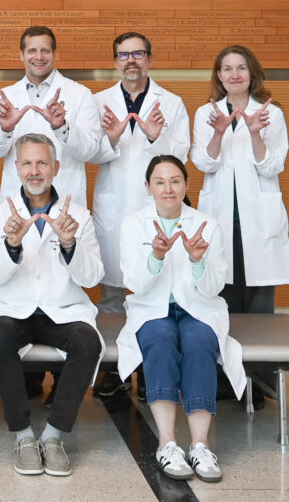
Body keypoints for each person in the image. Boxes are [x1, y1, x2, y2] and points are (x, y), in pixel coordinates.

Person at [0, 133, 104, 478]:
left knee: (88, 341)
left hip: (61, 310)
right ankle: (22, 436)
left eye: (42, 163)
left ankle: (53, 436)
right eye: (28, 163)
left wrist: (69, 244)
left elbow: (93, 277)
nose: (35, 171)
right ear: (17, 168)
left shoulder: (78, 215)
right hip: (13, 307)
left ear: (56, 168)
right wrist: (11, 245)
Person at [117, 155, 246, 483]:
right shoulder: (134, 224)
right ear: (148, 187)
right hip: (151, 309)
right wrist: (156, 257)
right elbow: (134, 282)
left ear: (187, 185)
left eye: (175, 181)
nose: (168, 189)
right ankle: (167, 443)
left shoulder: (206, 224)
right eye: (159, 182)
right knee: (159, 339)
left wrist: (198, 261)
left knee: (200, 340)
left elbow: (215, 286)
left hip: (198, 308)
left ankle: (200, 446)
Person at [190, 45, 289, 397]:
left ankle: (259, 381)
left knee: (260, 305)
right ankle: (224, 380)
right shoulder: (207, 112)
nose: (234, 74)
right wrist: (219, 132)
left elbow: (272, 166)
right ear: (218, 75)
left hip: (259, 223)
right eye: (227, 68)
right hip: (220, 220)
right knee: (222, 301)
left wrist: (253, 133)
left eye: (241, 68)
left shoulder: (270, 114)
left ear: (253, 74)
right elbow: (205, 164)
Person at [90, 32, 190, 398]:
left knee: (156, 291)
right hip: (113, 206)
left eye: (138, 53)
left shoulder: (173, 103)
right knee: (113, 295)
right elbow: (90, 152)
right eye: (123, 54)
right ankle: (114, 369)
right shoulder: (99, 101)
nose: (130, 60)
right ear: (115, 60)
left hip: (156, 209)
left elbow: (182, 153)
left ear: (149, 58)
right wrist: (112, 137)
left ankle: (152, 368)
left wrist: (153, 137)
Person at [0, 25, 100, 207]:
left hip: (65, 198)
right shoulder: (4, 96)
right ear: (21, 55)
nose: (38, 57)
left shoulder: (81, 94)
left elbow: (89, 151)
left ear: (54, 54)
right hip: (17, 199)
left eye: (45, 50)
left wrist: (62, 128)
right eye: (32, 51)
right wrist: (6, 129)